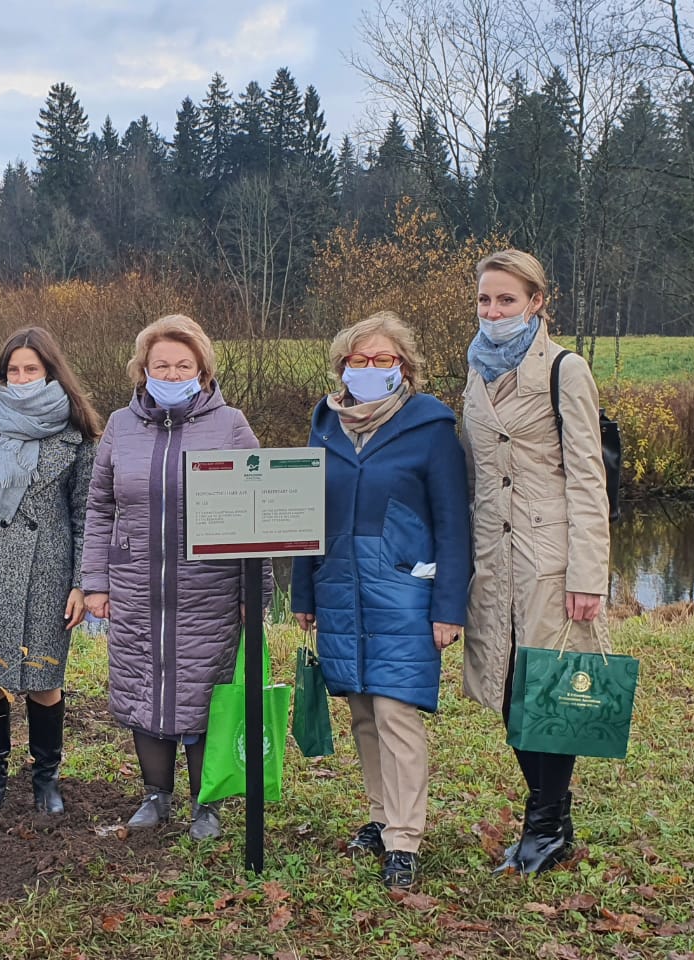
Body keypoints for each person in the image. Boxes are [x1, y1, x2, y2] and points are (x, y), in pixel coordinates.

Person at [290, 311, 471, 890]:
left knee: (396, 712)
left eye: (383, 360)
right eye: (360, 361)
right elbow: (304, 513)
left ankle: (405, 838)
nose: (370, 369)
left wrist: (449, 606)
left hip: (403, 589)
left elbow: (452, 521)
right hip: (340, 584)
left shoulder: (431, 426)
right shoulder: (325, 424)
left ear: (405, 368)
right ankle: (378, 815)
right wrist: (304, 588)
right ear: (343, 366)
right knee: (363, 710)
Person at [82, 314, 264, 841]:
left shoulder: (231, 424)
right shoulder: (119, 425)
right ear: (143, 370)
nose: (171, 371)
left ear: (202, 369)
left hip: (207, 588)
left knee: (203, 692)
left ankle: (206, 802)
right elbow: (99, 507)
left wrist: (257, 594)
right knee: (145, 688)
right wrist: (96, 580)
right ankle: (154, 796)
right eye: (161, 364)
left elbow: (261, 513)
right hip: (137, 585)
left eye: (183, 364)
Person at [461, 250, 611, 874]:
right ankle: (551, 815)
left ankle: (545, 826)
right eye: (485, 300)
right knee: (507, 689)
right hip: (492, 557)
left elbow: (588, 476)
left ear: (536, 303)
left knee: (550, 690)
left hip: (550, 555)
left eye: (507, 300)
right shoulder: (475, 368)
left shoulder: (564, 370)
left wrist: (588, 574)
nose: (494, 311)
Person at [0, 327, 101, 814]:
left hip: (48, 573)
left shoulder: (78, 437)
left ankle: (45, 778)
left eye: (32, 368)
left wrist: (80, 583)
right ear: (1, 376)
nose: (22, 377)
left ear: (51, 372)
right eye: (14, 370)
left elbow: (85, 518)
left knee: (44, 679)